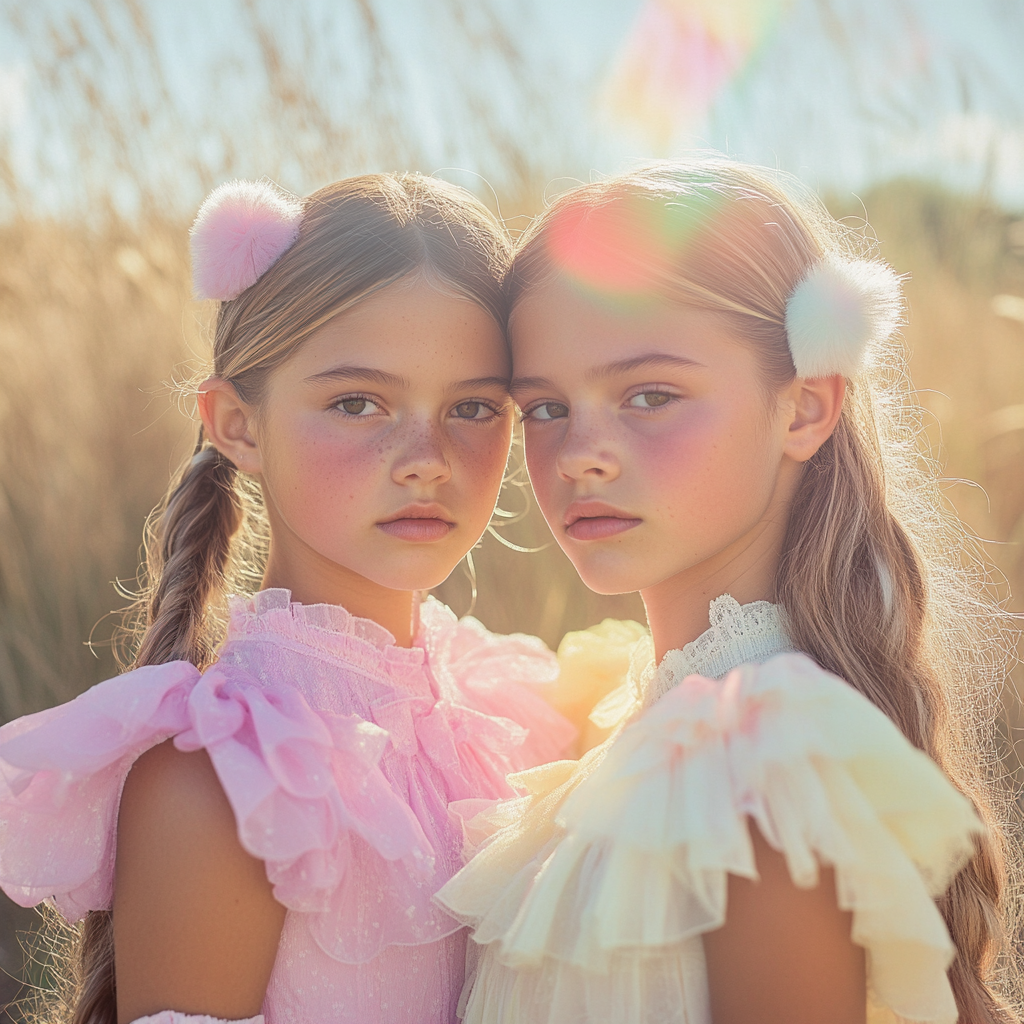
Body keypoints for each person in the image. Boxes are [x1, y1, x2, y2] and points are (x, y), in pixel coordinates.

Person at [436, 160, 1022, 1024]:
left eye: (650, 394)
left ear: (804, 409)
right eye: (546, 408)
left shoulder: (760, 764)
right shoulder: (648, 726)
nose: (581, 452)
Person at [0, 174, 576, 1024]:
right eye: (356, 402)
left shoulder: (505, 705)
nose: (426, 457)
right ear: (237, 424)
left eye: (473, 407)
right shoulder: (224, 780)